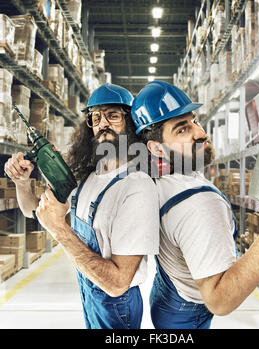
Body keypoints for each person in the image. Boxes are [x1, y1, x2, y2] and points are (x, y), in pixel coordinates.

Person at [130, 80, 259, 329]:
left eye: (194, 121)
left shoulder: (158, 180)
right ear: (156, 148)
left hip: (167, 298)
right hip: (186, 315)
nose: (200, 133)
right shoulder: (200, 204)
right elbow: (220, 301)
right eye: (181, 130)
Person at [4, 83, 159, 329]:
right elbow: (33, 211)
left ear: (130, 123)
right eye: (96, 118)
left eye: (113, 115)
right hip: (90, 294)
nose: (103, 124)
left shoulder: (136, 185)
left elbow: (118, 284)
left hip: (117, 307)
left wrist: (59, 230)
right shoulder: (88, 177)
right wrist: (22, 184)